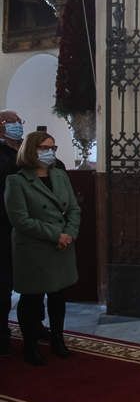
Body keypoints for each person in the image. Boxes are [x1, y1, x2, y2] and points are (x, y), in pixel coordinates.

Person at [3, 131, 80, 366]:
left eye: (53, 148)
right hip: (35, 248)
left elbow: (74, 209)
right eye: (45, 148)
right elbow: (20, 220)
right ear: (31, 151)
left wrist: (69, 234)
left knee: (58, 296)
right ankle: (30, 346)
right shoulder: (16, 181)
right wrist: (56, 234)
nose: (50, 152)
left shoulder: (59, 175)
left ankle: (57, 339)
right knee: (32, 298)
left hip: (61, 246)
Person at [0, 110, 25, 355]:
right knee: (3, 284)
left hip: (21, 230)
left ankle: (31, 326)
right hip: (4, 228)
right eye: (14, 122)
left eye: (20, 122)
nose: (19, 125)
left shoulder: (20, 152)